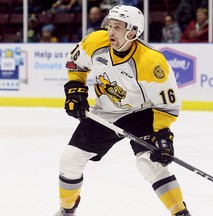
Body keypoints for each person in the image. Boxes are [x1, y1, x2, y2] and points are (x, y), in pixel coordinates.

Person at [54, 4, 191, 216]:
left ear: (133, 32)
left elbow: (166, 106)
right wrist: (74, 89)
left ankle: (180, 212)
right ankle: (67, 210)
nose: (110, 31)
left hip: (141, 114)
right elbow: (75, 64)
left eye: (117, 27)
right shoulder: (95, 42)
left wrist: (163, 135)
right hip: (105, 114)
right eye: (110, 25)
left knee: (149, 163)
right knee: (69, 159)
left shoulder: (152, 62)